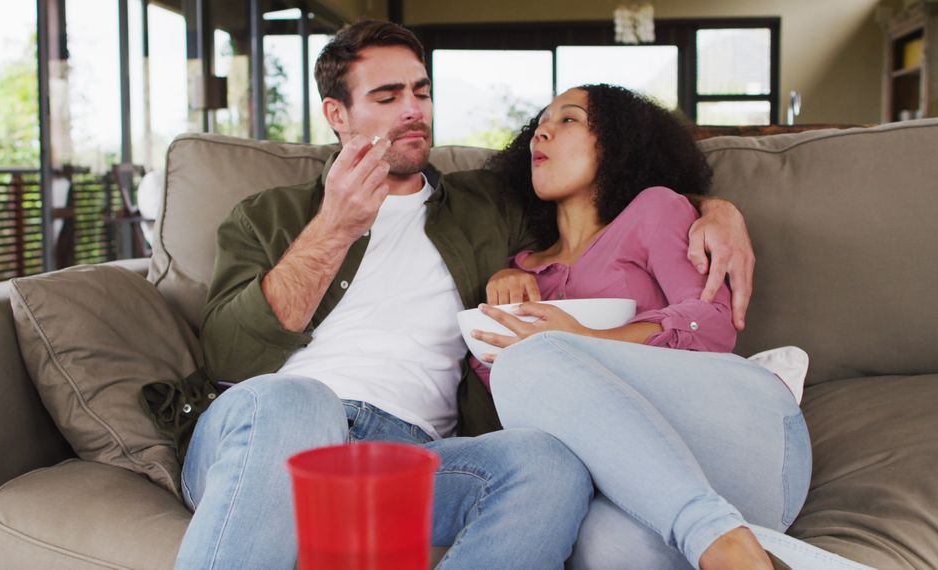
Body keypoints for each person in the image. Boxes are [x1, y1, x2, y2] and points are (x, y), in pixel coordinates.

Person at [170, 20, 755, 569]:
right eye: (387, 97)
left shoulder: (490, 204)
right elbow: (229, 357)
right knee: (295, 401)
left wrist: (713, 211)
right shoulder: (267, 216)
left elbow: (607, 199)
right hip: (271, 435)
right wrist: (334, 228)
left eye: (421, 93)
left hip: (411, 457)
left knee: (548, 463)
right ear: (337, 115)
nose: (413, 111)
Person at [473, 85, 864, 569]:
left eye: (569, 119)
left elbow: (712, 326)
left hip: (741, 442)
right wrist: (508, 281)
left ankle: (722, 542)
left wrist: (583, 341)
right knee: (605, 549)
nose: (543, 131)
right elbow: (514, 392)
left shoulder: (654, 211)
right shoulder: (521, 275)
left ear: (615, 143)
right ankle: (740, 549)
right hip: (638, 489)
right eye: (540, 122)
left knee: (532, 357)